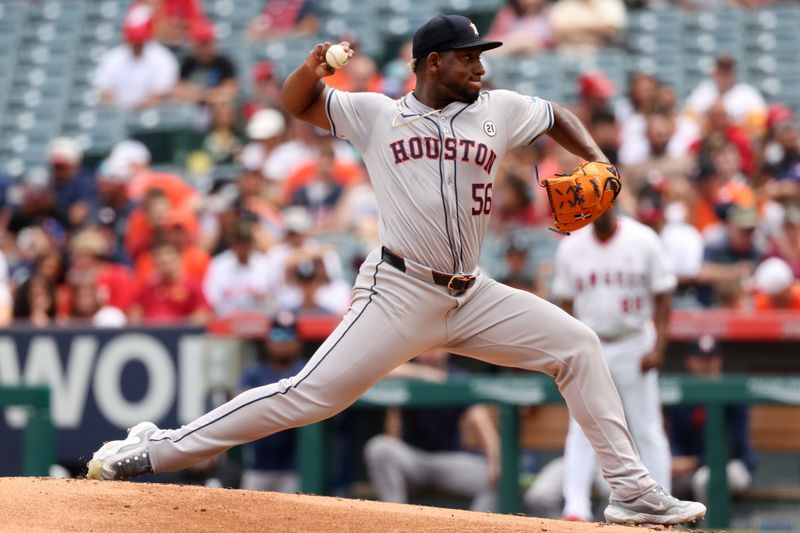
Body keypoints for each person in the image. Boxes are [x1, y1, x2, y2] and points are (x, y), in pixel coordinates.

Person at [86, 15, 705, 526]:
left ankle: (629, 492)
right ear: (434, 61)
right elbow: (297, 103)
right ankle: (157, 448)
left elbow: (554, 115)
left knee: (577, 346)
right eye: (469, 58)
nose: (481, 67)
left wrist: (598, 159)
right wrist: (313, 65)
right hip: (399, 290)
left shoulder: (497, 109)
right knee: (307, 397)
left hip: (474, 294)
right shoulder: (376, 114)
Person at [551, 207, 676, 521]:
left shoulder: (642, 239)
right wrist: (570, 349)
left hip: (635, 342)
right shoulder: (571, 246)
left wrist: (659, 346)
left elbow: (663, 294)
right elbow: (565, 301)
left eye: (605, 202)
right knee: (582, 425)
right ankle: (575, 508)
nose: (600, 210)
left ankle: (662, 504)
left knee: (646, 427)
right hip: (593, 344)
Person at [364, 349, 499, 512]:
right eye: (427, 347)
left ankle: (475, 527)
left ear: (448, 350)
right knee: (378, 447)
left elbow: (480, 420)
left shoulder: (458, 378)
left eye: (437, 346)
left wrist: (495, 459)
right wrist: (423, 374)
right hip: (413, 460)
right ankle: (396, 521)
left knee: (499, 477)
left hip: (448, 461)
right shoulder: (408, 374)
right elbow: (375, 372)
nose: (432, 351)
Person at [667, 336, 756, 504]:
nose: (707, 364)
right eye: (701, 359)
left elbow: (735, 445)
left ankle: (708, 530)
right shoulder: (682, 394)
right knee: (657, 479)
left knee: (705, 480)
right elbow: (676, 438)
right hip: (692, 468)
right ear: (689, 362)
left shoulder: (733, 393)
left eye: (711, 358)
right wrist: (675, 460)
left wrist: (694, 462)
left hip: (734, 465)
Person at [238, 310, 307, 492]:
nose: (283, 341)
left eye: (289, 334)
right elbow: (238, 403)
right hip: (257, 466)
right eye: (277, 334)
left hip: (294, 468)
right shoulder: (254, 372)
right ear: (268, 340)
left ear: (298, 341)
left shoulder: (305, 369)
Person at [94, 5, 179, 109]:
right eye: (133, 40)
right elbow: (104, 92)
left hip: (150, 115)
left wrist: (142, 106)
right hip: (118, 113)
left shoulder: (163, 58)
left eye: (139, 41)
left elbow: (162, 94)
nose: (136, 44)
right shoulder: (114, 57)